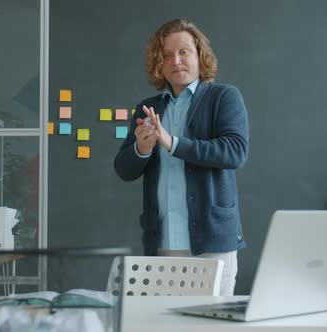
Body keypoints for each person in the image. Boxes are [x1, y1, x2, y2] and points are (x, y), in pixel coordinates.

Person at [114, 19, 249, 295]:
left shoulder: (223, 97)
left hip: (212, 246)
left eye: (184, 51)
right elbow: (123, 169)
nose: (175, 61)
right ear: (158, 63)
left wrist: (172, 143)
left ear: (200, 54)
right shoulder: (147, 108)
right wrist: (142, 148)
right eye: (166, 55)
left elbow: (235, 151)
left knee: (211, 324)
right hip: (161, 244)